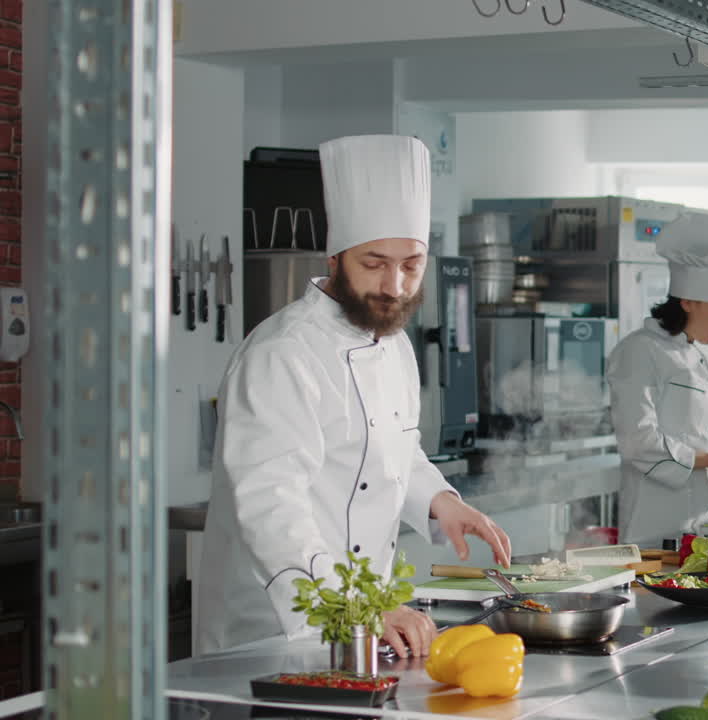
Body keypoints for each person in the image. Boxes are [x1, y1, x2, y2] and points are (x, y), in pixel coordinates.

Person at [196, 135, 512, 657]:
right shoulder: (283, 353)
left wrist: (439, 502)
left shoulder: (392, 344)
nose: (394, 285)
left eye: (411, 265)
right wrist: (353, 604)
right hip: (271, 632)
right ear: (336, 257)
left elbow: (394, 452)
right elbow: (270, 503)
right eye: (374, 263)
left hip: (363, 624)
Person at [606, 213, 708, 545]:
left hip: (700, 527)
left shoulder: (693, 355)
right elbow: (638, 440)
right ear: (688, 302)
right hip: (654, 533)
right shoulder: (639, 351)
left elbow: (688, 437)